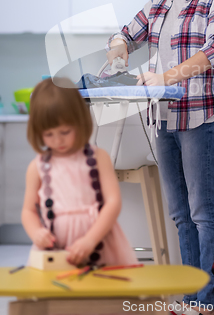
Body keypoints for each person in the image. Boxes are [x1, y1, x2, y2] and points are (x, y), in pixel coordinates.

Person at [106, 0, 214, 313]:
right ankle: (191, 299)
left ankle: (210, 302)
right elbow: (125, 33)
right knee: (180, 215)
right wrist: (118, 51)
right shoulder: (160, 1)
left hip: (201, 116)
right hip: (162, 119)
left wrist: (167, 76)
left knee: (204, 212)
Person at [22, 78, 137, 267]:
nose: (58, 140)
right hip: (56, 249)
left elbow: (113, 202)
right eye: (49, 134)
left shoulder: (98, 158)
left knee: (103, 291)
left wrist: (90, 240)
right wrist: (36, 232)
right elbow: (28, 211)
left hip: (99, 243)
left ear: (80, 122)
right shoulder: (37, 167)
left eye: (65, 131)